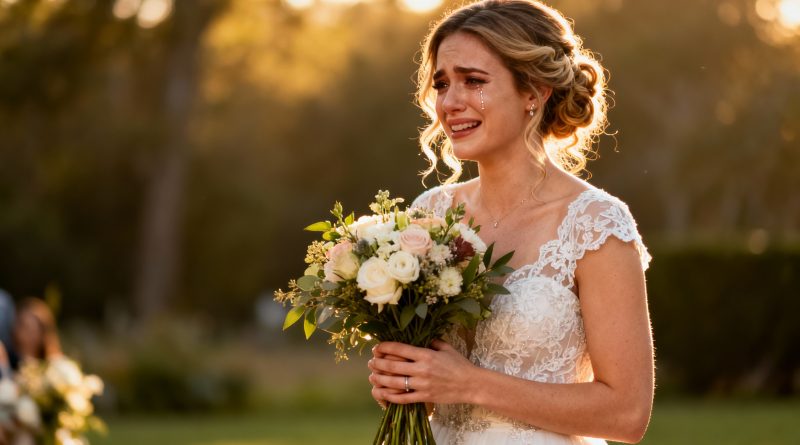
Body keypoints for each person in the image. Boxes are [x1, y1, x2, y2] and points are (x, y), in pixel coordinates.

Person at [367, 1, 654, 444]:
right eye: (442, 84)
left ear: (533, 93)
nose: (451, 102)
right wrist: (403, 380)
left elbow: (627, 413)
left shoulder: (595, 224)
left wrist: (469, 384)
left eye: (474, 81)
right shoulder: (431, 215)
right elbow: (432, 383)